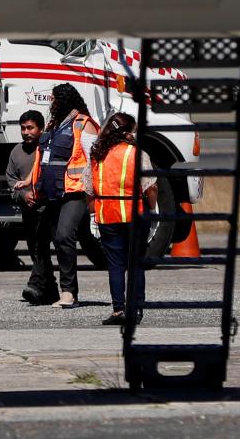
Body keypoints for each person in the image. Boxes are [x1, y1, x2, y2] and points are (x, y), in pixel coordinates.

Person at [15, 83, 98, 308]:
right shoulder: (53, 125)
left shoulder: (83, 124)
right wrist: (29, 181)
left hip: (75, 191)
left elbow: (93, 160)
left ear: (64, 100)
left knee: (63, 236)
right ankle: (51, 288)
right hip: (52, 192)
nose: (51, 103)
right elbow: (42, 158)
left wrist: (93, 195)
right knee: (46, 238)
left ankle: (69, 292)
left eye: (54, 99)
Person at [86, 113, 157, 326]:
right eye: (133, 131)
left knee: (115, 265)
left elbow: (88, 190)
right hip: (134, 213)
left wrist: (93, 214)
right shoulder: (136, 154)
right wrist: (152, 208)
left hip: (107, 215)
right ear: (126, 133)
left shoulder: (97, 154)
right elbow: (151, 187)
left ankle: (118, 310)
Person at [6, 109, 59, 305]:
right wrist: (23, 195)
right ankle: (50, 291)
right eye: (23, 128)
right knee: (37, 249)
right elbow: (11, 179)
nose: (26, 132)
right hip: (29, 210)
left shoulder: (48, 149)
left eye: (30, 128)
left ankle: (35, 284)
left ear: (41, 129)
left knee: (44, 246)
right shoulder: (16, 152)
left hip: (49, 207)